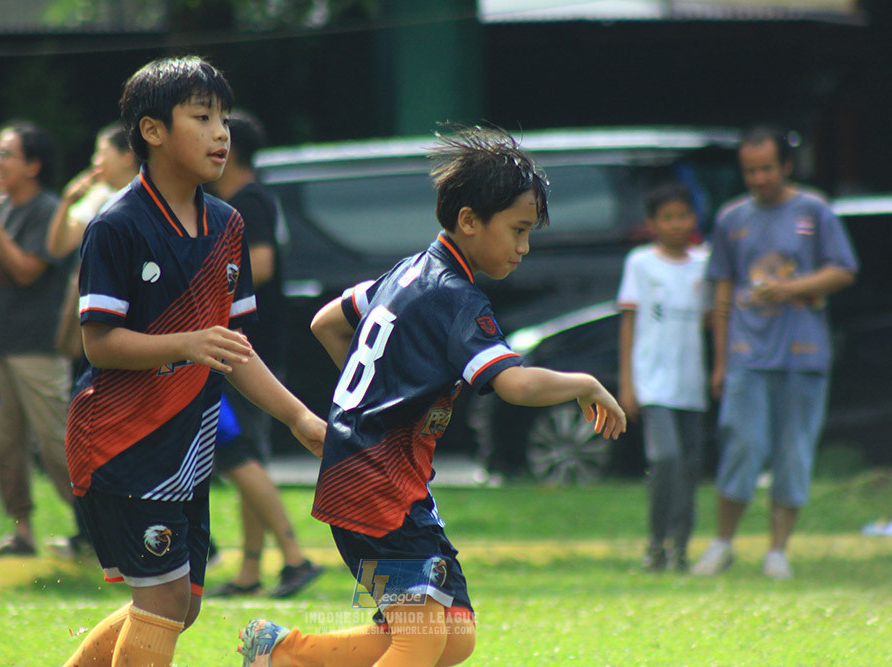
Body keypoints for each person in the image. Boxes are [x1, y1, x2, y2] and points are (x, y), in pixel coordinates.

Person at [238, 126, 626, 667]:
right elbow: (513, 384)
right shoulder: (456, 298)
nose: (524, 247)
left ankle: (282, 651)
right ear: (469, 220)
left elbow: (327, 321)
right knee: (420, 640)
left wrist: (363, 403)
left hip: (381, 481)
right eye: (517, 229)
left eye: (529, 231)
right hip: (374, 488)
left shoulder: (408, 271)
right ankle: (282, 652)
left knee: (453, 635)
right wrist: (584, 382)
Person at [61, 56, 325, 667]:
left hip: (187, 443)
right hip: (121, 443)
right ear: (152, 132)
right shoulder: (117, 226)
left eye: (224, 119)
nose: (221, 133)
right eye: (202, 117)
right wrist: (184, 343)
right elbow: (98, 343)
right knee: (164, 599)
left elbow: (235, 349)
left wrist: (299, 418)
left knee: (183, 605)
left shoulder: (228, 225)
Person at [691, 125, 858, 580]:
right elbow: (721, 289)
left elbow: (843, 270)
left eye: (766, 168)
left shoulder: (815, 211)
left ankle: (777, 552)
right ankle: (722, 544)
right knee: (741, 444)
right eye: (750, 170)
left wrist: (790, 288)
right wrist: (720, 361)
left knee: (794, 452)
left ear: (786, 167)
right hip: (747, 353)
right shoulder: (731, 218)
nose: (759, 178)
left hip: (804, 354)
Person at [206, 110, 322, 600]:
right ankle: (251, 571)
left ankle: (295, 558)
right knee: (246, 456)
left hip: (245, 351)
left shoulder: (247, 201)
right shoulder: (247, 199)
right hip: (252, 347)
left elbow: (263, 266)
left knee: (236, 456)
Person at [0, 120, 79, 557]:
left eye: (5, 154)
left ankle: (94, 529)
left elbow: (28, 270)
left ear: (32, 165)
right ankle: (22, 531)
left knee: (55, 445)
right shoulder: (0, 209)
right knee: (4, 445)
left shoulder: (48, 210)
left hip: (39, 346)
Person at [616, 182, 710, 573]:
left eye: (682, 216)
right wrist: (627, 383)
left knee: (689, 467)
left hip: (692, 382)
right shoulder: (641, 263)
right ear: (652, 223)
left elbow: (713, 319)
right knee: (665, 458)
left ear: (693, 218)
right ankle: (656, 541)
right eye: (667, 217)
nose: (676, 224)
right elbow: (629, 323)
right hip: (653, 382)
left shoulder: (705, 263)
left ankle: (681, 548)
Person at [46, 122, 139, 260]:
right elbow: (58, 249)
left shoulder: (151, 197)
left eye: (101, 153)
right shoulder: (99, 195)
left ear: (127, 157)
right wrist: (67, 201)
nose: (95, 161)